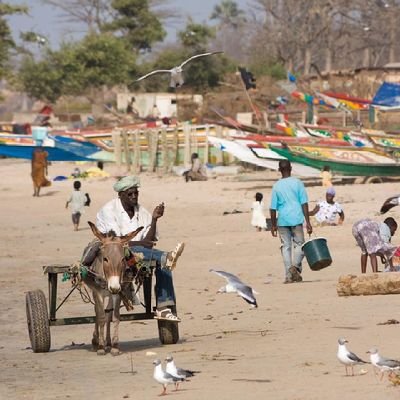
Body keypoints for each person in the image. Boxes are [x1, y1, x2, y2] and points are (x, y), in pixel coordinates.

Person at [82, 176, 185, 322]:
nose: (134, 196)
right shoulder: (109, 210)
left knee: (164, 264)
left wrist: (154, 219)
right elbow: (117, 244)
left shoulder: (142, 212)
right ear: (120, 195)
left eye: (136, 193)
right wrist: (141, 243)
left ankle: (163, 306)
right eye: (130, 194)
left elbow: (149, 242)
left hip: (133, 253)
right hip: (111, 254)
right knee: (161, 257)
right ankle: (165, 257)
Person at [270, 160, 313, 283]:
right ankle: (295, 268)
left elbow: (272, 208)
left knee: (286, 247)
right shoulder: (298, 183)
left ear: (279, 170)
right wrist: (308, 222)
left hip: (282, 220)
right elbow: (304, 203)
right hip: (296, 218)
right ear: (291, 168)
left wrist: (273, 225)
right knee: (300, 245)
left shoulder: (276, 186)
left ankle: (289, 275)